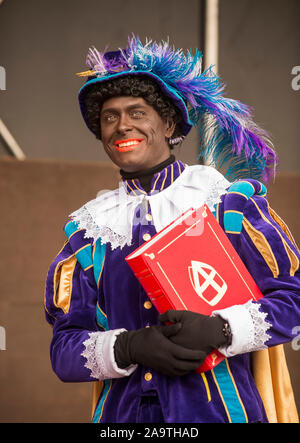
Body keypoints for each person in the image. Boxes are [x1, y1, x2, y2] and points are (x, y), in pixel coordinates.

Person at [44, 36, 300, 423]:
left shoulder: (226, 204)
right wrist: (128, 346)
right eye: (109, 117)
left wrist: (221, 330)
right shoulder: (89, 232)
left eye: (137, 112)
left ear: (167, 124)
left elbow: (293, 302)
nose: (122, 125)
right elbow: (64, 351)